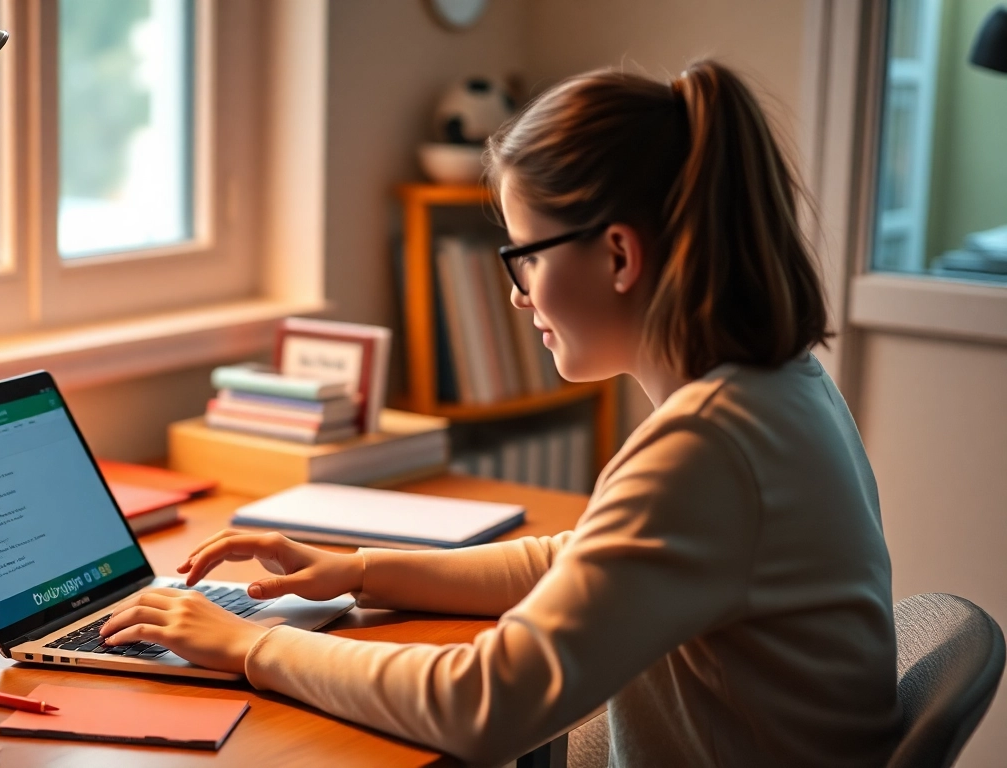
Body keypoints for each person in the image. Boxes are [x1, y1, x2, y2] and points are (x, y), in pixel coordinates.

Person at [100, 59, 901, 767]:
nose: (517, 295)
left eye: (524, 256)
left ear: (619, 254)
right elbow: (577, 562)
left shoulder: (707, 446)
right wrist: (361, 568)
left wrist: (249, 647)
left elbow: (485, 705)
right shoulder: (780, 388)